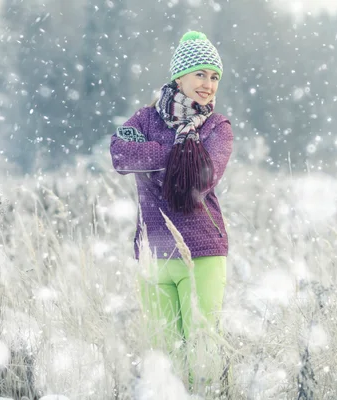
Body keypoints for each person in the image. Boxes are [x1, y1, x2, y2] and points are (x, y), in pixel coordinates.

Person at [109, 31, 233, 389]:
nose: (208, 85)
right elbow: (119, 154)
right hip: (153, 255)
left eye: (215, 77)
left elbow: (201, 176)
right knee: (163, 359)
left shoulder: (217, 126)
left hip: (203, 253)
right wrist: (177, 153)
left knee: (204, 354)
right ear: (180, 75)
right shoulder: (145, 119)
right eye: (201, 74)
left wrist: (151, 158)